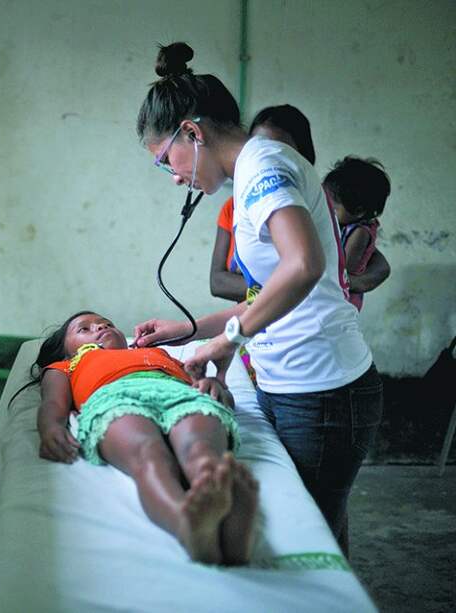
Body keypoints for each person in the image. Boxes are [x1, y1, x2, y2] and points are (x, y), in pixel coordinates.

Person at [132, 42, 383, 555]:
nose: (175, 176)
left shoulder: (263, 168)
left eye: (166, 162)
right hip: (297, 382)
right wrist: (190, 330)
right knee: (313, 534)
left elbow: (304, 266)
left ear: (192, 133)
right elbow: (270, 294)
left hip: (321, 390)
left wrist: (229, 342)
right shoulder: (255, 170)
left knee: (310, 542)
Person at [34, 311, 258, 565]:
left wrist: (217, 386)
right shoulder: (65, 366)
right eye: (84, 329)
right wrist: (50, 427)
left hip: (178, 393)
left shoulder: (160, 354)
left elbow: (220, 400)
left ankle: (229, 525)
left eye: (107, 323)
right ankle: (187, 526)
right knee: (147, 455)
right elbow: (53, 402)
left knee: (200, 450)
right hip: (114, 397)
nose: (99, 327)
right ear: (67, 353)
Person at [210, 106, 391, 306]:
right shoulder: (233, 207)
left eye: (278, 147)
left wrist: (342, 283)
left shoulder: (315, 205)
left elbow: (379, 267)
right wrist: (286, 289)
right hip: (260, 318)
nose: (265, 155)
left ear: (302, 156)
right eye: (256, 146)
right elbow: (217, 283)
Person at [323, 156, 391, 310]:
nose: (327, 212)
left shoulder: (360, 232)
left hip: (345, 298)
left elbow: (343, 267)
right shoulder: (345, 223)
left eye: (334, 209)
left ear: (359, 211)